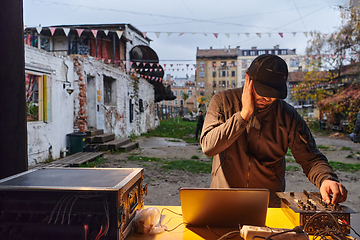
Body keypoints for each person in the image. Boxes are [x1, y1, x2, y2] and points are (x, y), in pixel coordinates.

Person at [200, 54, 347, 207]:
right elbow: (208, 146)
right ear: (248, 78)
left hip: (268, 205)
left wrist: (326, 178)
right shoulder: (223, 101)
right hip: (223, 201)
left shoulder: (288, 116)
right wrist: (243, 115)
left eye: (273, 93)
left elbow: (311, 159)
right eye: (262, 90)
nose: (266, 97)